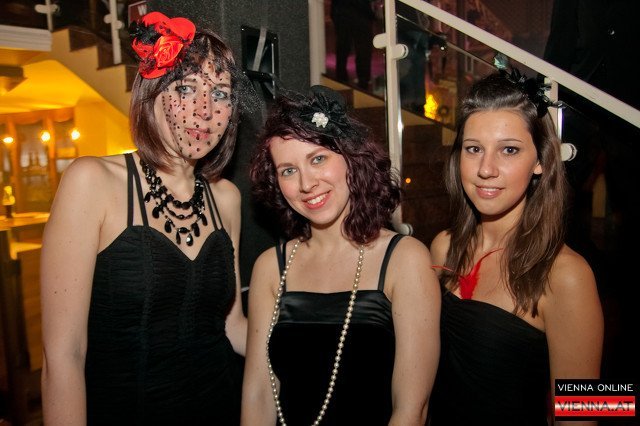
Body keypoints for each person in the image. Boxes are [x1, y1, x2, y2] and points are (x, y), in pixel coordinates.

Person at [40, 11, 250, 424]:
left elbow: (233, 326)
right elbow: (63, 355)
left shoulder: (226, 198)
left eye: (221, 93)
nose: (205, 110)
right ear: (150, 94)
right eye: (186, 88)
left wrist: (311, 338)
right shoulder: (92, 182)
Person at [241, 85, 440, 425]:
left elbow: (411, 410)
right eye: (288, 170)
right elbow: (258, 394)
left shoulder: (404, 259)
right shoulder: (271, 267)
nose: (306, 183)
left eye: (318, 159)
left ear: (351, 157)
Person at [427, 71, 604, 425]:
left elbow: (586, 413)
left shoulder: (568, 274)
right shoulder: (443, 246)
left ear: (540, 161)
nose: (486, 169)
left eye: (509, 150)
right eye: (473, 149)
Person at [330, 0, 376, 90]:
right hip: (361, 13)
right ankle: (363, 81)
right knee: (362, 50)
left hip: (343, 12)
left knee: (343, 48)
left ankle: (342, 79)